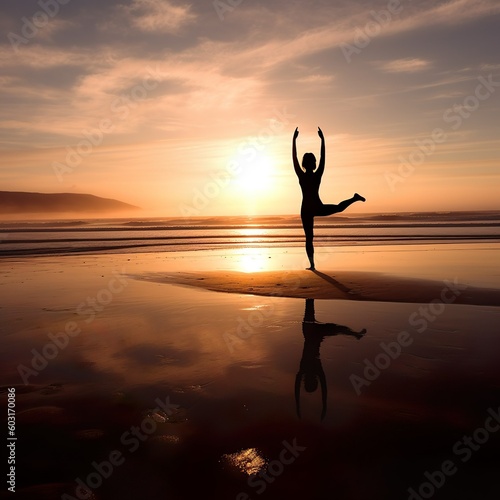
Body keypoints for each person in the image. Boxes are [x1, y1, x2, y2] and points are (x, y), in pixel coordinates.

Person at [293, 127, 365, 270]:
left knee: (309, 238)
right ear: (313, 163)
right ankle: (354, 198)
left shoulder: (302, 175)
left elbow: (294, 158)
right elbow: (323, 157)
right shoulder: (317, 174)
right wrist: (322, 140)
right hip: (315, 207)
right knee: (338, 208)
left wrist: (294, 140)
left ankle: (312, 265)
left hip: (307, 208)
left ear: (304, 163)